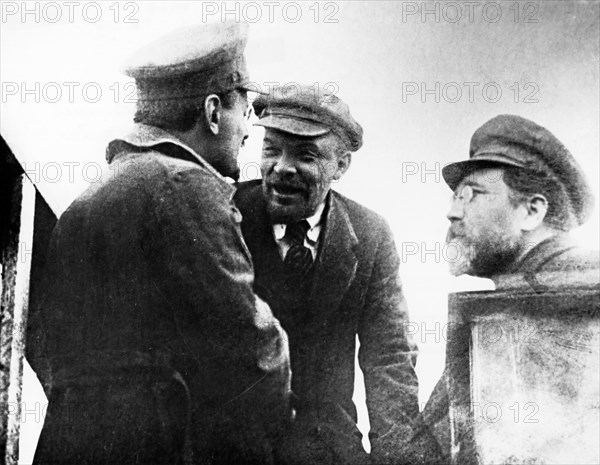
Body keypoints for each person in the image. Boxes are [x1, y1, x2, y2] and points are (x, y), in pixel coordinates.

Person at [28, 22, 292, 465]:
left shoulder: (93, 195)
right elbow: (252, 355)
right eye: (245, 109)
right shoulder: (188, 187)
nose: (249, 130)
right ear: (212, 112)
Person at [234, 85, 438, 465]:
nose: (282, 167)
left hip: (328, 446)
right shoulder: (224, 217)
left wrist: (398, 458)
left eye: (305, 155)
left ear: (341, 166)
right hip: (232, 447)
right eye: (271, 149)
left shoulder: (370, 234)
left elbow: (388, 356)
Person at [422, 114, 599, 461]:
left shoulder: (578, 289)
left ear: (531, 211)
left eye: (472, 196)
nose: (452, 214)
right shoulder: (508, 301)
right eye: (456, 197)